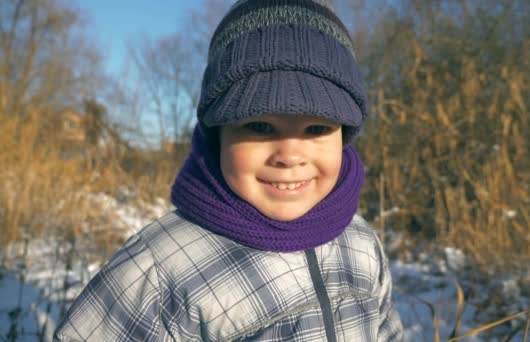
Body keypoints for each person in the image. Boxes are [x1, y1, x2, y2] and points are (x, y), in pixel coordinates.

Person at [54, 0, 405, 340]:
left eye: (316, 129)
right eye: (260, 126)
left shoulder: (358, 241)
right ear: (217, 133)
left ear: (345, 136)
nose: (289, 155)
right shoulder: (160, 270)